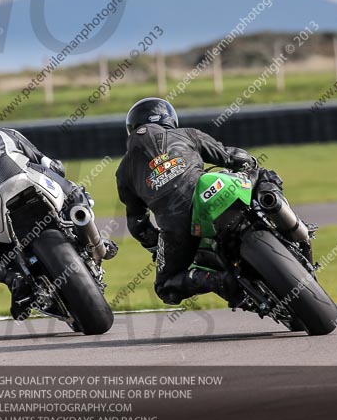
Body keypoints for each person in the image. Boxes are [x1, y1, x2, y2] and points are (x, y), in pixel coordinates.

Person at [0, 91, 117, 319]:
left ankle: (15, 280)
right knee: (75, 193)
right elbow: (50, 165)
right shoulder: (10, 134)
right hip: (33, 181)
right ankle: (95, 239)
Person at [116, 97, 282, 306]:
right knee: (264, 175)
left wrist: (155, 245)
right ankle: (283, 217)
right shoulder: (186, 134)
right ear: (169, 119)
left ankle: (218, 280)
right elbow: (230, 156)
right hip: (213, 190)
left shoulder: (123, 172)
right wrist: (250, 163)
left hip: (176, 227)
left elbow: (138, 223)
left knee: (165, 286)